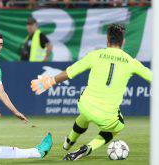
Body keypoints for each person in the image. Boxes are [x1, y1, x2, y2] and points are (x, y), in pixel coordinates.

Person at [30, 24, 152, 160]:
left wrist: (49, 82)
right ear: (123, 41)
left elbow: (69, 73)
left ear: (107, 40)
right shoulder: (131, 62)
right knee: (119, 126)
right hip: (106, 116)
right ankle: (88, 148)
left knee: (85, 115)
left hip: (85, 105)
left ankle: (69, 140)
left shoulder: (95, 55)